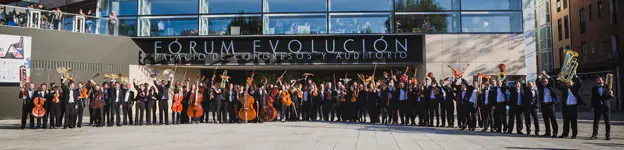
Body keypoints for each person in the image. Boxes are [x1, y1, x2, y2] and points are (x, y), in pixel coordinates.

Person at [590, 76, 613, 140]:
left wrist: (611, 95)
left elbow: (610, 97)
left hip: (605, 106)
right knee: (596, 121)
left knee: (607, 121)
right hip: (597, 106)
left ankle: (607, 135)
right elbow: (593, 98)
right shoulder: (594, 88)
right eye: (597, 80)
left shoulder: (608, 86)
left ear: (603, 80)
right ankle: (594, 134)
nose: (599, 81)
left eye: (600, 80)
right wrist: (592, 106)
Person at [537, 72, 558, 137]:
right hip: (544, 105)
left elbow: (552, 80)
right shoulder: (541, 88)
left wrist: (546, 75)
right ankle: (547, 132)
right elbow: (537, 82)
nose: (544, 83)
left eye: (546, 81)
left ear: (548, 82)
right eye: (543, 82)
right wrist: (540, 76)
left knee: (553, 119)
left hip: (550, 105)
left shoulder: (550, 86)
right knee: (546, 120)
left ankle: (555, 133)